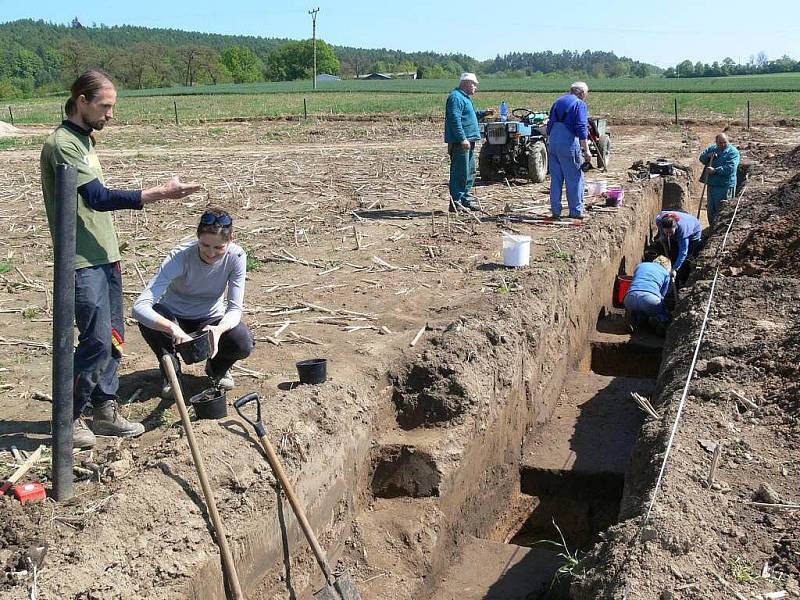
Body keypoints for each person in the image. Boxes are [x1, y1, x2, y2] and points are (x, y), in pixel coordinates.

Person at [40, 69, 201, 449]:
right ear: (82, 101)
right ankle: (70, 418)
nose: (111, 113)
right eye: (105, 105)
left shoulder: (85, 140)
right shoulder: (63, 144)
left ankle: (105, 411)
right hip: (80, 259)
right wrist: (157, 193)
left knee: (113, 337)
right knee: (95, 339)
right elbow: (96, 197)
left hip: (105, 254)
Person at [132, 208, 255, 401]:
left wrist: (219, 329)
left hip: (209, 318)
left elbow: (234, 309)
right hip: (175, 317)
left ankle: (217, 368)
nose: (211, 253)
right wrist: (172, 328)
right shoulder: (180, 257)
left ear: (231, 239)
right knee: (153, 317)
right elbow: (139, 307)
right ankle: (171, 370)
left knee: (242, 341)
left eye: (219, 248)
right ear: (197, 236)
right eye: (205, 245)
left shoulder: (237, 257)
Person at [444, 72, 494, 212]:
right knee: (460, 172)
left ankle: (466, 199)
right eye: (474, 84)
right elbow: (455, 120)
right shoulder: (455, 98)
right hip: (462, 143)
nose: (475, 87)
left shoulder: (465, 98)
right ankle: (456, 202)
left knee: (470, 172)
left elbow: (470, 115)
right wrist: (462, 139)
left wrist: (484, 113)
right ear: (466, 83)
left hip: (469, 141)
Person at [547, 82, 592, 219]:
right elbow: (581, 128)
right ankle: (576, 212)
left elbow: (549, 124)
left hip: (553, 143)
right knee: (575, 178)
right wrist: (587, 151)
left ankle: (556, 211)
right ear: (582, 93)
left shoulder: (558, 102)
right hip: (569, 143)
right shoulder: (580, 104)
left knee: (556, 179)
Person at [623, 256, 673, 334]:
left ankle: (633, 319)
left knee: (639, 309)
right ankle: (660, 322)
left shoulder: (641, 265)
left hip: (629, 298)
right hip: (650, 300)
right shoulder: (666, 273)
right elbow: (663, 295)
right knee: (662, 309)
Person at [699, 132, 740, 226]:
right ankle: (712, 227)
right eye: (720, 143)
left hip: (724, 185)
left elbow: (731, 167)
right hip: (711, 184)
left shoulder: (733, 152)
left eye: (724, 142)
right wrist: (708, 156)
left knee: (722, 208)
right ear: (716, 142)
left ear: (728, 141)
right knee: (711, 208)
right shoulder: (713, 149)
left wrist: (715, 170)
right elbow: (702, 158)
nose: (722, 145)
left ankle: (720, 228)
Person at [655, 210, 702, 286]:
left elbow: (683, 253)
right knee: (673, 253)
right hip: (682, 224)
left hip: (694, 232)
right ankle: (673, 284)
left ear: (675, 227)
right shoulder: (660, 220)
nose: (669, 235)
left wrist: (675, 269)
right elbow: (658, 222)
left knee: (687, 259)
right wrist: (662, 235)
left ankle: (683, 281)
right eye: (666, 232)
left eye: (671, 232)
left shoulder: (682, 231)